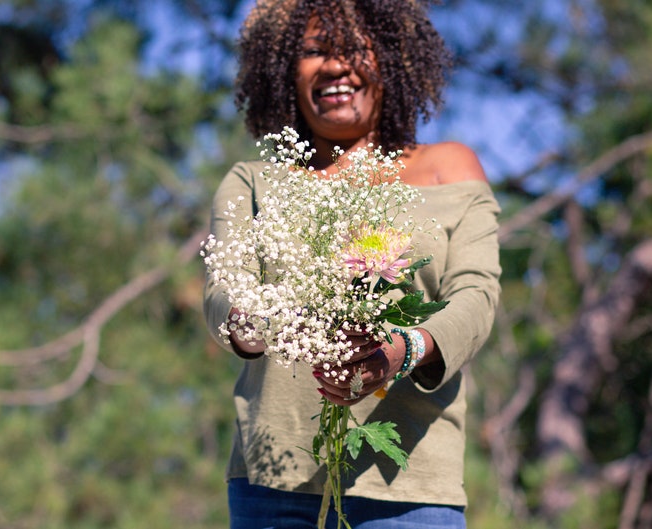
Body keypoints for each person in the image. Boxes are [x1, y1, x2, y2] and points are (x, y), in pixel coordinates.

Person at [203, 1, 501, 527]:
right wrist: (263, 325)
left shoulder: (449, 168)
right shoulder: (252, 181)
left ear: (393, 59)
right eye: (314, 51)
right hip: (273, 484)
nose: (336, 66)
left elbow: (477, 297)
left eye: (354, 49)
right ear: (282, 71)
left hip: (410, 491)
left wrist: (403, 351)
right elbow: (225, 292)